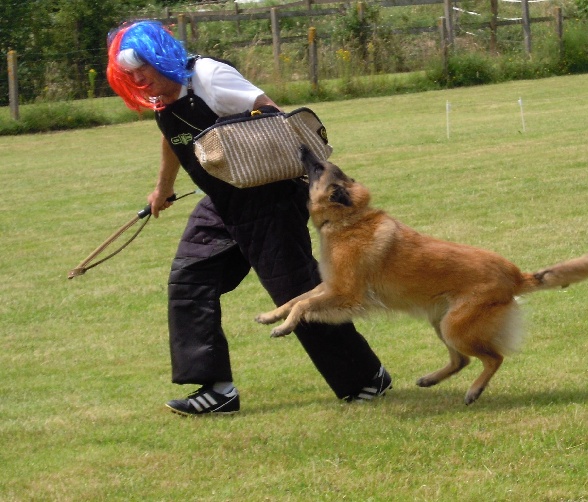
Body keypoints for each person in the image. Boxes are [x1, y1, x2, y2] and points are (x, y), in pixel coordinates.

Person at [106, 20, 392, 416]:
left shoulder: (209, 77)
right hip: (221, 204)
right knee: (189, 280)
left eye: (145, 71)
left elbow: (273, 115)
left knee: (296, 292)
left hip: (268, 201)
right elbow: (173, 138)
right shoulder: (166, 98)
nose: (141, 82)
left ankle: (366, 378)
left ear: (163, 59)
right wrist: (163, 188)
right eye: (132, 77)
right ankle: (217, 390)